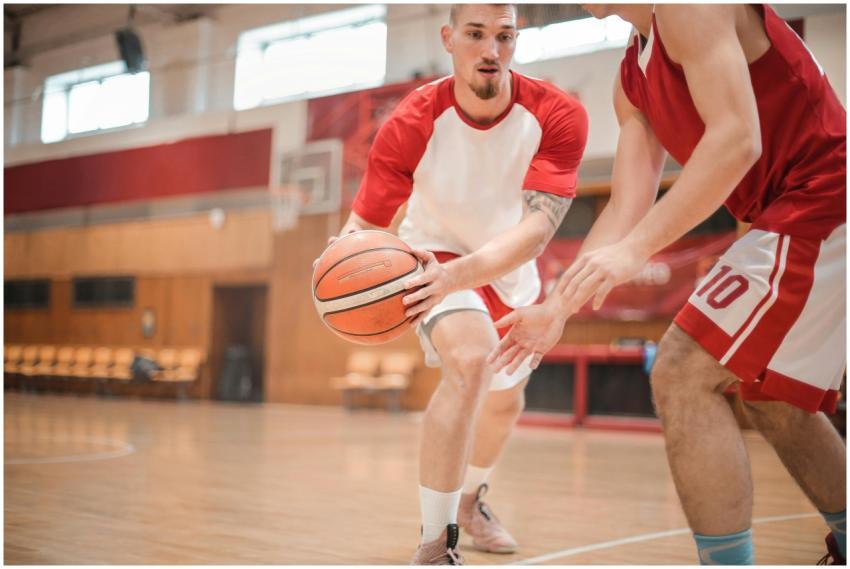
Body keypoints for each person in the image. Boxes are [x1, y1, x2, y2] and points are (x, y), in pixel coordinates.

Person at [489, 4, 846, 565]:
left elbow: (736, 141)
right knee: (774, 397)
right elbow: (625, 210)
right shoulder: (632, 78)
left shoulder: (688, 5)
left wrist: (635, 252)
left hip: (824, 196)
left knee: (681, 370)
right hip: (794, 212)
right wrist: (556, 308)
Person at [323, 3, 587, 564]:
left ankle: (470, 501)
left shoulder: (559, 114)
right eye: (475, 35)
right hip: (433, 255)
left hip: (512, 264)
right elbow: (366, 222)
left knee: (505, 403)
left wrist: (465, 275)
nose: (491, 50)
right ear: (449, 38)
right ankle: (433, 544)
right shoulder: (411, 120)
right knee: (472, 361)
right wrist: (337, 262)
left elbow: (539, 228)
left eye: (504, 36)